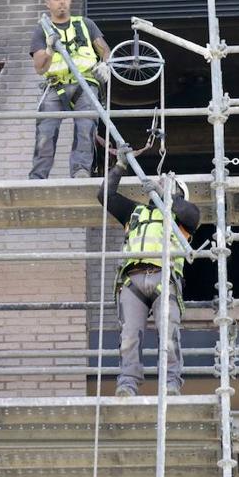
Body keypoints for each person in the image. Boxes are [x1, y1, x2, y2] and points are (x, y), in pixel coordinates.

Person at [98, 151, 202, 397]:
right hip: (132, 280)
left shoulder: (182, 217)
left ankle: (171, 383)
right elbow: (106, 195)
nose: (160, 183)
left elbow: (192, 214)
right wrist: (120, 166)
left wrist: (167, 194)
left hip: (164, 280)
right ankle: (127, 384)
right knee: (129, 336)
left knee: (168, 334)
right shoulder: (135, 213)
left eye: (168, 183)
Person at [28, 0, 111, 179]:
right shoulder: (42, 30)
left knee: (85, 128)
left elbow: (105, 51)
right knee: (46, 132)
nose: (62, 2)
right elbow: (39, 67)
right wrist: (49, 49)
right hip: (55, 86)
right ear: (47, 3)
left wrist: (106, 64)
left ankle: (81, 171)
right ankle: (38, 176)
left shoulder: (85, 24)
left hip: (86, 84)